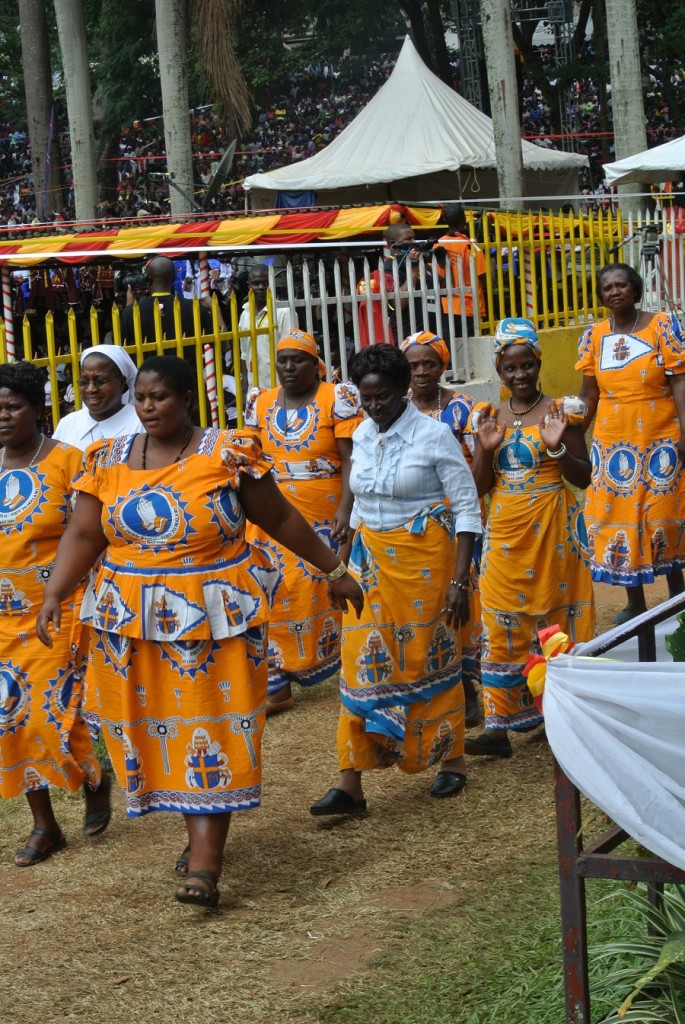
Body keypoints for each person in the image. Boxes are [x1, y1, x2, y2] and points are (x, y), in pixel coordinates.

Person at [37, 355, 363, 908]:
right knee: (155, 728)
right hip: (131, 622)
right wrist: (54, 593)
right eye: (141, 398)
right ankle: (196, 836)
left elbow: (279, 518)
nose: (147, 408)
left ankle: (207, 862)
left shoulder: (228, 453)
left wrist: (334, 570)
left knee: (211, 725)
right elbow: (86, 534)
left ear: (188, 398)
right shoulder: (106, 458)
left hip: (216, 619)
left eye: (159, 397)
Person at [310, 344, 482, 815]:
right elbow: (359, 505)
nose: (375, 406)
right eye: (367, 399)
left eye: (383, 396)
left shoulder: (434, 436)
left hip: (428, 565)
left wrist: (461, 580)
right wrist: (342, 565)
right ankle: (351, 782)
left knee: (431, 658)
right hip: (371, 567)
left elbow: (467, 509)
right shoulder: (362, 435)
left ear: (403, 389)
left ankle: (453, 758)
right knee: (360, 663)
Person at [467, 318, 595, 757]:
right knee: (501, 617)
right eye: (509, 368)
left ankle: (558, 709)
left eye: (526, 366)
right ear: (499, 371)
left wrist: (557, 446)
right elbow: (480, 487)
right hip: (503, 531)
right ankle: (498, 725)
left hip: (554, 528)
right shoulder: (488, 418)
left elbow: (584, 476)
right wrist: (485, 450)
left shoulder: (563, 411)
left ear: (538, 363)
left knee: (554, 615)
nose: (519, 375)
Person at [0, 362, 111, 866]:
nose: (2, 417)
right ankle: (44, 825)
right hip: (3, 615)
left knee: (53, 712)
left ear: (38, 409)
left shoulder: (70, 461)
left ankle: (92, 776)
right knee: (9, 718)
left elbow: (91, 532)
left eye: (12, 407)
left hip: (59, 609)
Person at [244, 329, 363, 715]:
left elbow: (350, 460)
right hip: (272, 513)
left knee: (321, 587)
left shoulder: (337, 399)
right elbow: (251, 458)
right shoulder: (259, 402)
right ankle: (276, 681)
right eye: (283, 360)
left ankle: (341, 660)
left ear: (316, 365)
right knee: (271, 588)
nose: (290, 367)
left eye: (299, 360)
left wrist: (346, 509)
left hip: (325, 514)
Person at [577, 264, 685, 623]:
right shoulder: (594, 336)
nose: (614, 291)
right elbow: (588, 394)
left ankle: (677, 599)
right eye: (607, 288)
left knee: (663, 517)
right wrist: (574, 432)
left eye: (621, 285)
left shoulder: (663, 326)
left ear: (635, 290)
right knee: (619, 519)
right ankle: (636, 603)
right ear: (602, 297)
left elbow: (680, 383)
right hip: (612, 445)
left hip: (661, 441)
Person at [400, 330, 484, 728]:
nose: (421, 372)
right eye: (413, 365)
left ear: (442, 366)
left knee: (463, 606)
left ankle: (470, 691)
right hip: (413, 529)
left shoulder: (464, 409)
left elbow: (480, 472)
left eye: (428, 364)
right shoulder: (395, 410)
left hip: (459, 525)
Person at [51, 344, 143, 449]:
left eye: (100, 381)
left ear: (122, 382)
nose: (91, 389)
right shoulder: (68, 424)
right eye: (84, 382)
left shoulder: (140, 424)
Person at [356, 223, 433, 347]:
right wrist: (413, 271)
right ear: (394, 244)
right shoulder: (389, 268)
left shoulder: (421, 262)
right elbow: (398, 304)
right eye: (408, 239)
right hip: (406, 336)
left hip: (428, 332)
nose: (413, 242)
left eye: (414, 238)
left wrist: (445, 264)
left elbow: (445, 287)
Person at [120, 255, 213, 347]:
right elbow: (221, 343)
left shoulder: (132, 312)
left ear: (149, 278)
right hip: (184, 362)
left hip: (148, 362)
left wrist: (129, 307)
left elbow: (121, 347)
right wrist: (214, 307)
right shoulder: (194, 308)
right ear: (173, 278)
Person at [237, 264, 297, 389]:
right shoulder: (245, 314)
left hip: (277, 386)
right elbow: (244, 354)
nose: (261, 287)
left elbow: (292, 351)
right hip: (253, 387)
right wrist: (244, 384)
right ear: (249, 285)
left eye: (265, 283)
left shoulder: (284, 313)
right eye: (256, 283)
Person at [433, 204, 486, 339]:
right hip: (469, 307)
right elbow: (483, 277)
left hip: (445, 306)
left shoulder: (437, 244)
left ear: (444, 220)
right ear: (464, 218)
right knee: (470, 347)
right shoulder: (470, 245)